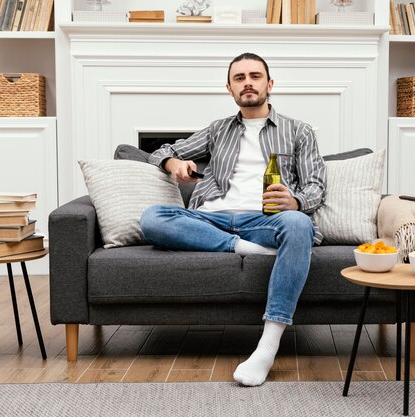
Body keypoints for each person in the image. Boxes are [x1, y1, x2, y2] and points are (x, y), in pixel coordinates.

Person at [140, 52, 326, 386]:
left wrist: (295, 201)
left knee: (299, 224)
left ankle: (266, 348)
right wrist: (173, 164)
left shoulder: (299, 131)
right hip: (210, 219)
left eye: (255, 76)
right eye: (239, 78)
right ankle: (241, 247)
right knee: (153, 217)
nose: (248, 83)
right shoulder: (217, 130)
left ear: (269, 84)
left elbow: (317, 186)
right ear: (229, 88)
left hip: (265, 220)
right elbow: (161, 150)